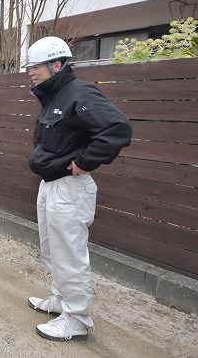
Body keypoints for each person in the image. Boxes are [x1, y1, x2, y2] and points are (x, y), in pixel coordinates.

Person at [24, 36, 132, 341]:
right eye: (29, 66)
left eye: (36, 66)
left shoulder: (79, 92)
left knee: (69, 252)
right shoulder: (54, 96)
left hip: (70, 188)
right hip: (52, 185)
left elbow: (118, 128)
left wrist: (85, 162)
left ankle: (77, 319)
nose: (31, 72)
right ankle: (61, 299)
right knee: (52, 248)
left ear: (57, 64)